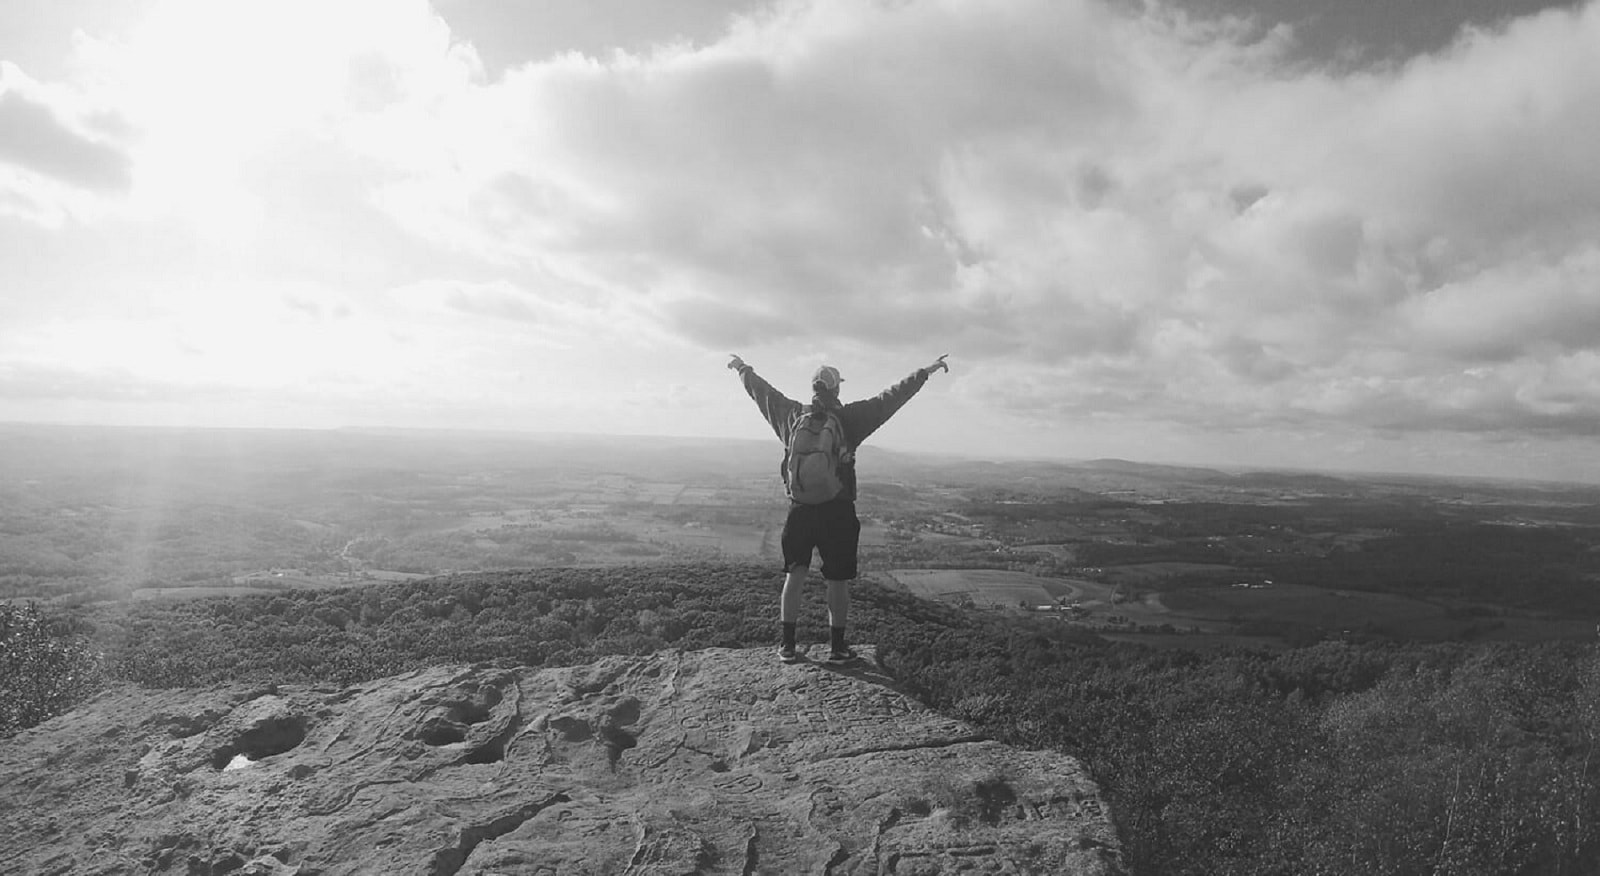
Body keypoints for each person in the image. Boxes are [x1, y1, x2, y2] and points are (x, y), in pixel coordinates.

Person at [727, 353, 950, 663]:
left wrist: (741, 368)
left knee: (795, 574)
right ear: (837, 390)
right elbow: (891, 398)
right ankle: (837, 648)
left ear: (814, 388)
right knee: (837, 580)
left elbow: (760, 391)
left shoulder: (791, 415)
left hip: (800, 509)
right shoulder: (850, 419)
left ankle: (787, 646)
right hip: (838, 510)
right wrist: (924, 372)